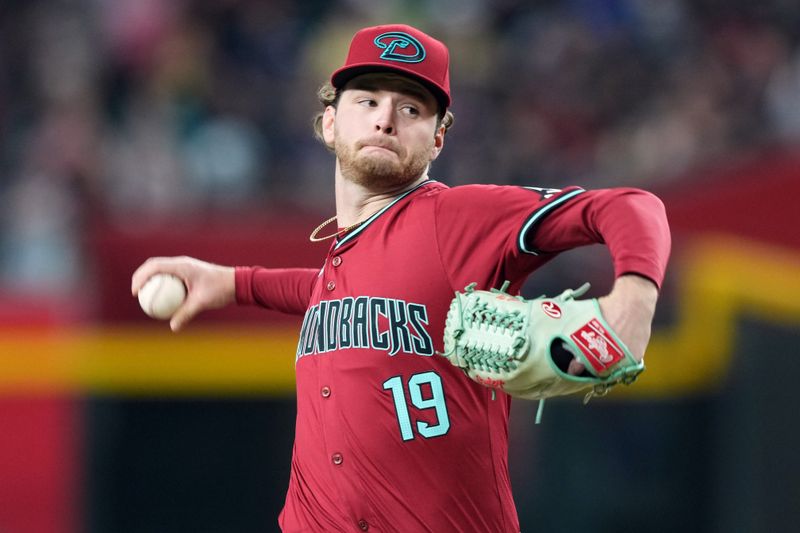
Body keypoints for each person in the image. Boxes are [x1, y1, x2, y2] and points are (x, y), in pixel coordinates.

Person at [132, 24, 670, 532]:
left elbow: (632, 206)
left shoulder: (456, 219)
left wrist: (634, 301)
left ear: (438, 139)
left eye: (410, 108)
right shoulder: (344, 263)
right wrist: (231, 282)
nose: (385, 119)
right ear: (328, 122)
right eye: (367, 101)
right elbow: (323, 292)